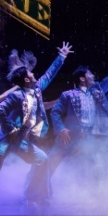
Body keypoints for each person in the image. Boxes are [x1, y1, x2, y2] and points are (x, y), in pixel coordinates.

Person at [0, 42, 73, 206]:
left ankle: (32, 195)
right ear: (26, 78)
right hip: (4, 138)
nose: (34, 75)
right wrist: (10, 129)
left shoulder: (37, 89)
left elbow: (49, 75)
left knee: (42, 158)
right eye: (30, 74)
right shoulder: (16, 95)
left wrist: (62, 56)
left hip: (20, 139)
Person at [48, 49, 108, 179]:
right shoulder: (68, 95)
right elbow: (55, 112)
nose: (93, 76)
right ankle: (37, 195)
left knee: (91, 169)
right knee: (50, 164)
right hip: (67, 138)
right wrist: (61, 128)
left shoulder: (96, 92)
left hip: (86, 139)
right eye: (89, 74)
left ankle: (88, 195)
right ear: (82, 78)